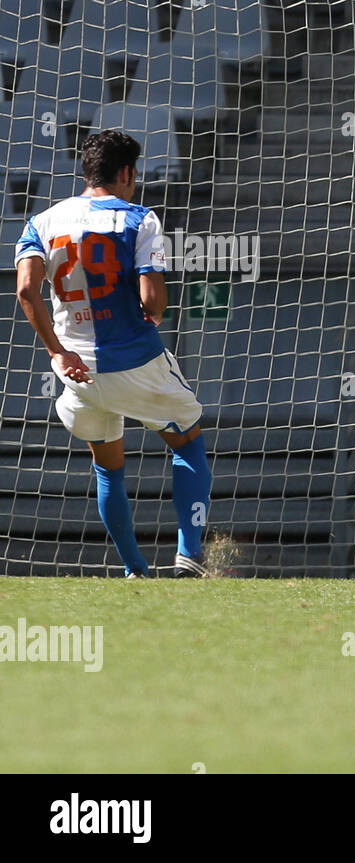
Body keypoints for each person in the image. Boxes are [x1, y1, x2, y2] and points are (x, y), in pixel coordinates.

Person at [14, 130, 213, 578]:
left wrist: (58, 352)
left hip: (77, 371)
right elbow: (153, 301)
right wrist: (153, 307)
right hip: (135, 363)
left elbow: (27, 288)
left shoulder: (42, 221)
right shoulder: (139, 219)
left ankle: (134, 569)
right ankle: (188, 554)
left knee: (109, 468)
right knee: (188, 443)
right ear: (126, 172)